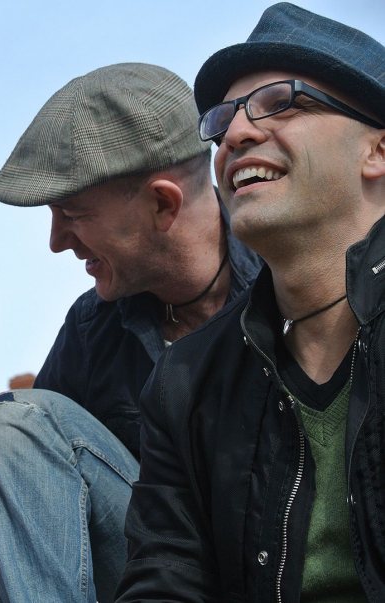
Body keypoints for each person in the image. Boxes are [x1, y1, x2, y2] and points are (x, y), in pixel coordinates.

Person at [116, 4, 385, 601]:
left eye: (283, 102)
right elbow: (166, 575)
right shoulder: (184, 380)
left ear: (378, 152)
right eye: (223, 119)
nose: (234, 135)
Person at [0, 62, 263, 602]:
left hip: (267, 565)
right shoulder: (93, 325)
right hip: (153, 571)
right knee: (18, 421)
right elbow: (33, 482)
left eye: (71, 212)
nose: (57, 240)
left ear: (163, 203)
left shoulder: (291, 284)